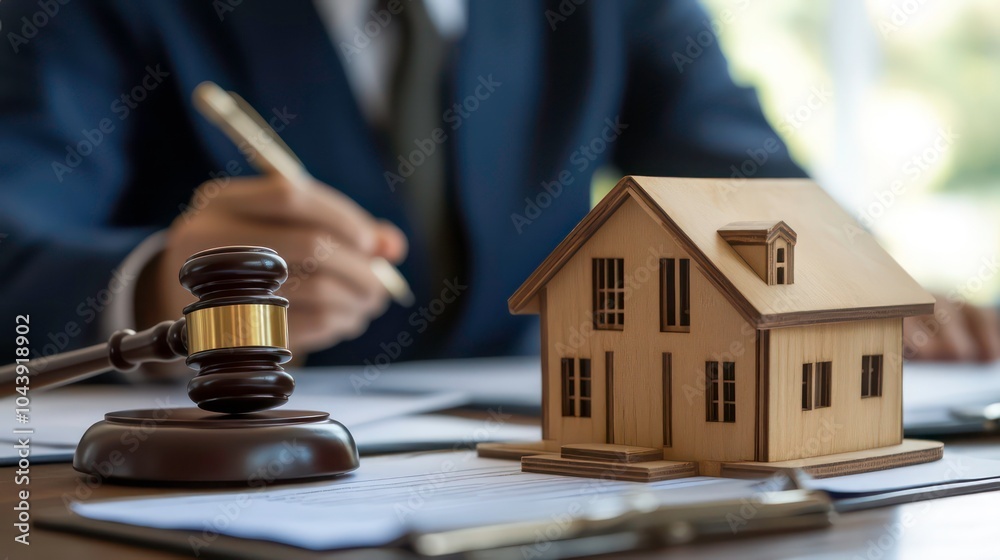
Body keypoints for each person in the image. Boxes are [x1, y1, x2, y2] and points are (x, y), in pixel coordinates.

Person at [0, 0, 995, 371]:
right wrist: (161, 289)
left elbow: (741, 177)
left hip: (519, 481)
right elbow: (13, 238)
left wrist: (865, 300)